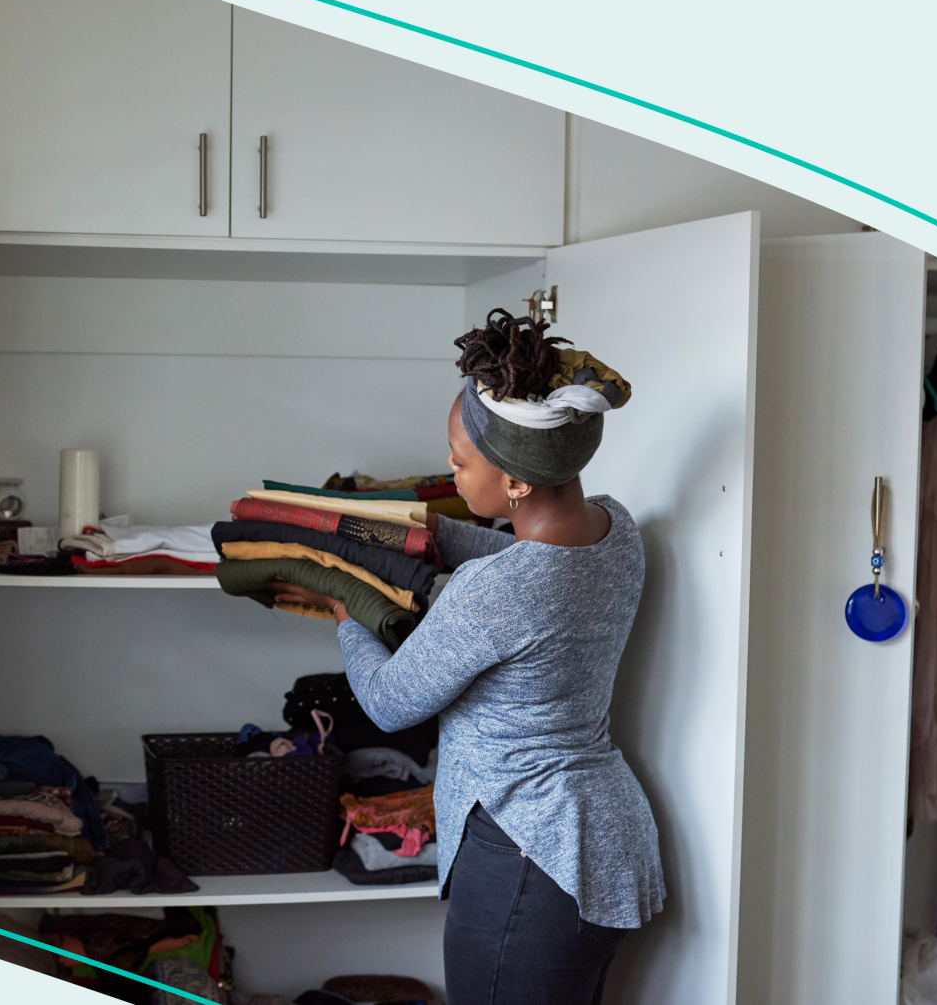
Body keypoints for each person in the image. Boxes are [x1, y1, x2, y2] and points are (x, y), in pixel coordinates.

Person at [272, 309, 664, 1005]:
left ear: (515, 480)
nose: (451, 469)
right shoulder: (615, 528)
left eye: (459, 462)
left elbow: (390, 701)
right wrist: (417, 531)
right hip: (601, 841)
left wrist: (345, 606)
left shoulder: (497, 591)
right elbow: (526, 557)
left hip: (527, 853)